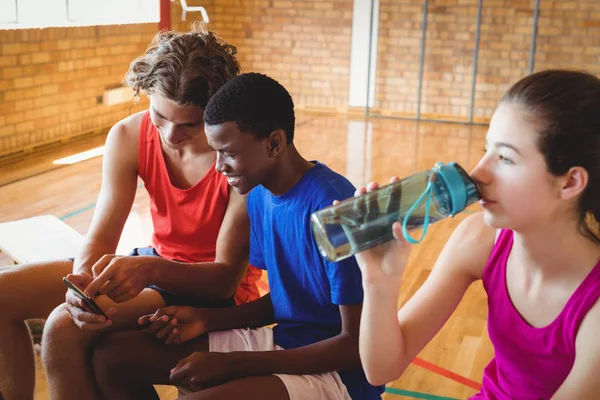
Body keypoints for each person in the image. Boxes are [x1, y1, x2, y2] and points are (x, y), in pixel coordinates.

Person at [0, 23, 262, 400]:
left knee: (62, 329)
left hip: (210, 289)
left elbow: (223, 281)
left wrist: (147, 271)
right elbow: (102, 236)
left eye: (189, 124)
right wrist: (81, 286)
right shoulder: (127, 136)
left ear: (219, 108)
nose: (171, 135)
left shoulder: (237, 155)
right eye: (160, 117)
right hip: (153, 266)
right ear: (145, 95)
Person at [89, 72, 384, 400]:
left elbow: (356, 344)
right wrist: (205, 319)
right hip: (284, 343)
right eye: (214, 152)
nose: (218, 167)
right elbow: (294, 297)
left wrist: (233, 364)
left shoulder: (336, 209)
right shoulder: (259, 196)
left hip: (339, 375)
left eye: (228, 153)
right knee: (111, 358)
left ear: (273, 143)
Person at [356, 69, 600, 399]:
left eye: (505, 158)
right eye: (487, 149)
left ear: (570, 182)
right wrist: (379, 282)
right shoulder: (478, 240)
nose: (477, 173)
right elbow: (381, 369)